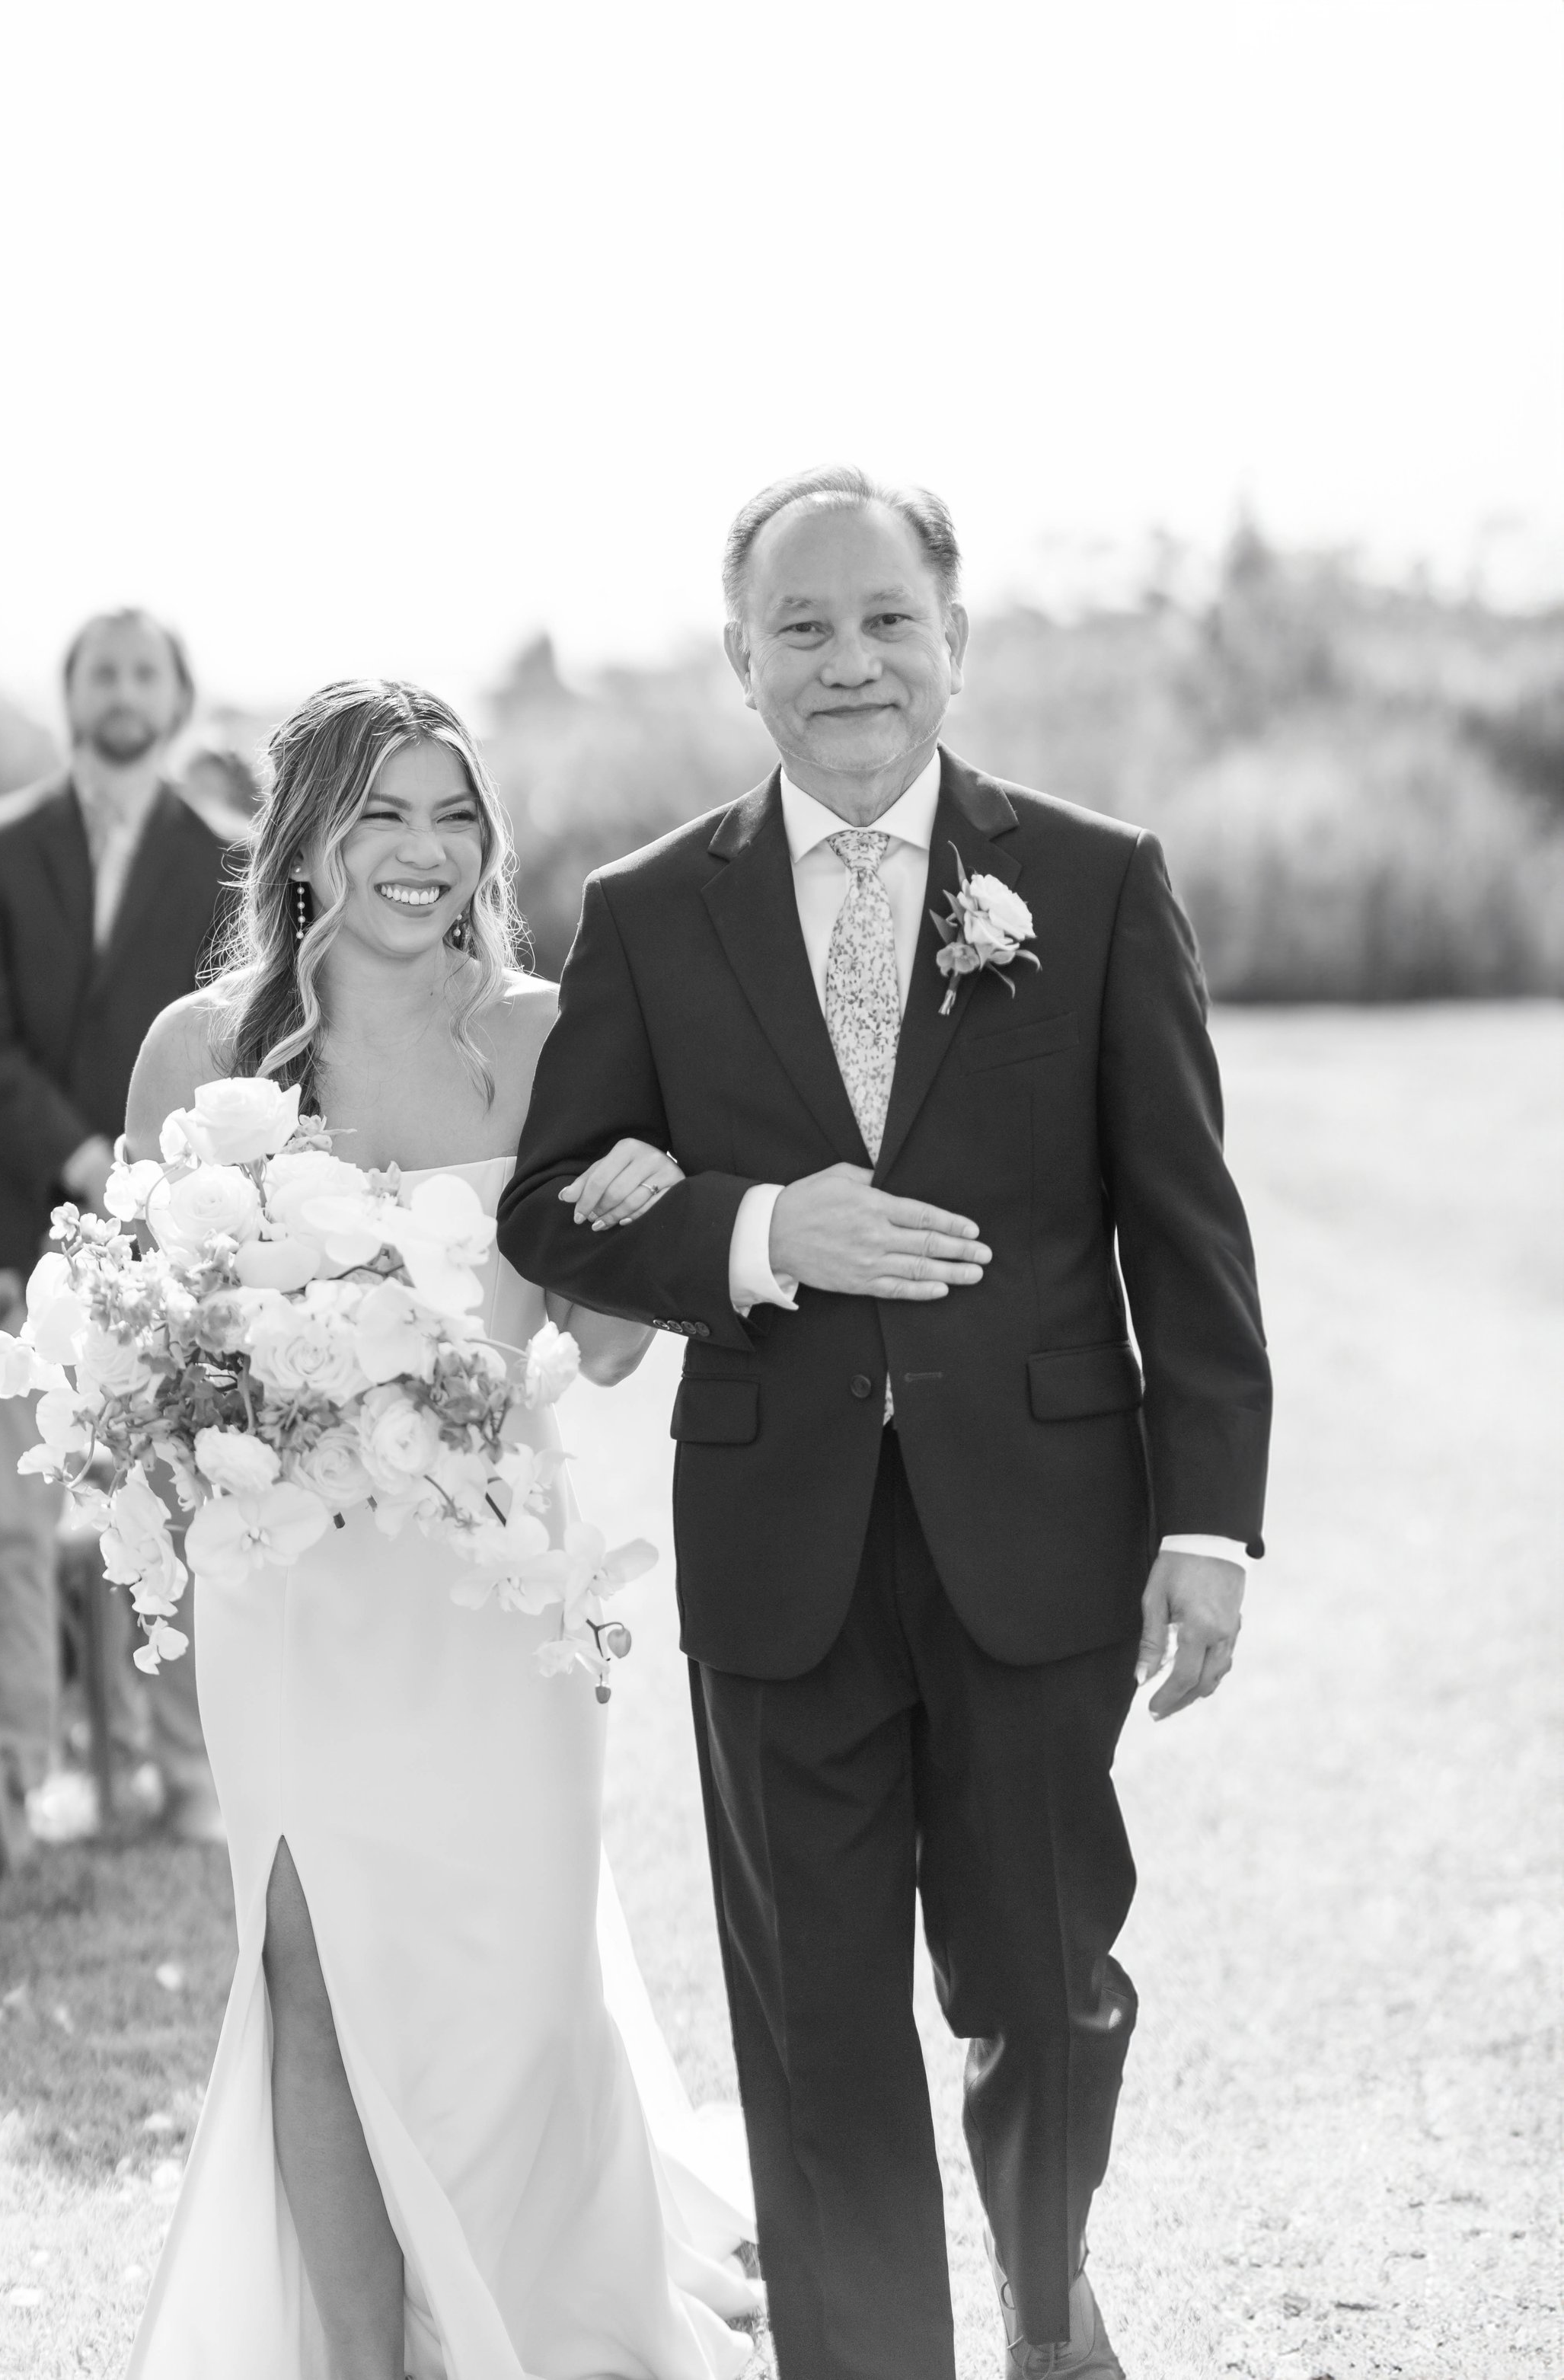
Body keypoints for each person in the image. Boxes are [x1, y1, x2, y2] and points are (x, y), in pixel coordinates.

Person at [498, 467, 1274, 2380]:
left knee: (1046, 1986)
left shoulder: (1090, 883)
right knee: (815, 2025)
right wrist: (763, 1228)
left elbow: (1186, 1227)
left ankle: (1041, 2276)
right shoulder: (652, 911)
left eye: (884, 620)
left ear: (953, 639)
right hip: (781, 1554)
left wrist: (1210, 1521)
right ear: (739, 659)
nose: (848, 661)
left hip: (1044, 1531)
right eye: (802, 627)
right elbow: (553, 1191)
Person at [120, 679, 758, 2380]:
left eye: (453, 812)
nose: (423, 849)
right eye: (382, 811)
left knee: (512, 1980)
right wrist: (227, 1414)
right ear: (303, 841)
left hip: (492, 1588)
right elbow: (138, 1320)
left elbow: (604, 1340)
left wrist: (635, 1222)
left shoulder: (550, 1033)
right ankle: (360, 2349)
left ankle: (533, 2322)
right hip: (291, 1595)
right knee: (308, 1966)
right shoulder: (198, 1054)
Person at [0, 610, 234, 1843]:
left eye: (143, 672)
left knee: (175, 1507)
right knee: (9, 1523)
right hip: (18, 1218)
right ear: (72, 695)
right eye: (101, 670)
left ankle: (188, 1777)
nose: (122, 691)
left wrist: (152, 1177)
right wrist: (80, 1155)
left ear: (175, 697)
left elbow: (228, 1032)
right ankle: (10, 1775)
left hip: (171, 1234)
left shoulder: (227, 854)